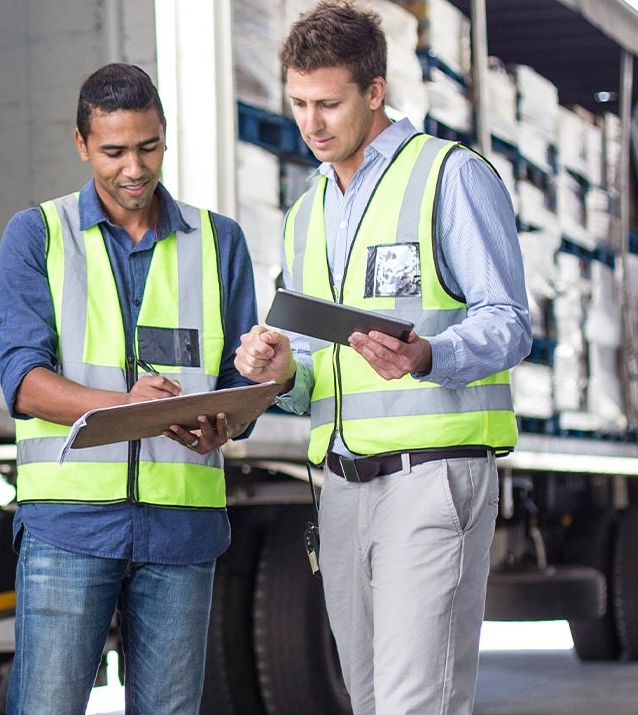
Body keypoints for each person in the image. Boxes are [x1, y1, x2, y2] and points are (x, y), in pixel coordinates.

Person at [234, 2, 532, 713]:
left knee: (413, 702)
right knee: (370, 700)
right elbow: (310, 369)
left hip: (431, 477)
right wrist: (279, 374)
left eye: (329, 104)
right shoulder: (306, 210)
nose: (311, 123)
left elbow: (510, 322)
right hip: (340, 485)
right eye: (299, 103)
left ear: (374, 93)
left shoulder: (448, 176)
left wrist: (431, 353)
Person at [0, 62, 258, 714]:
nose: (134, 167)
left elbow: (238, 383)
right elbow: (24, 382)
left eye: (148, 146)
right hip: (70, 529)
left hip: (183, 535)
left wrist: (230, 416)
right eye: (113, 151)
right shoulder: (38, 236)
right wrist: (129, 409)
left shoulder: (220, 242)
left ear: (165, 137)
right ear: (82, 144)